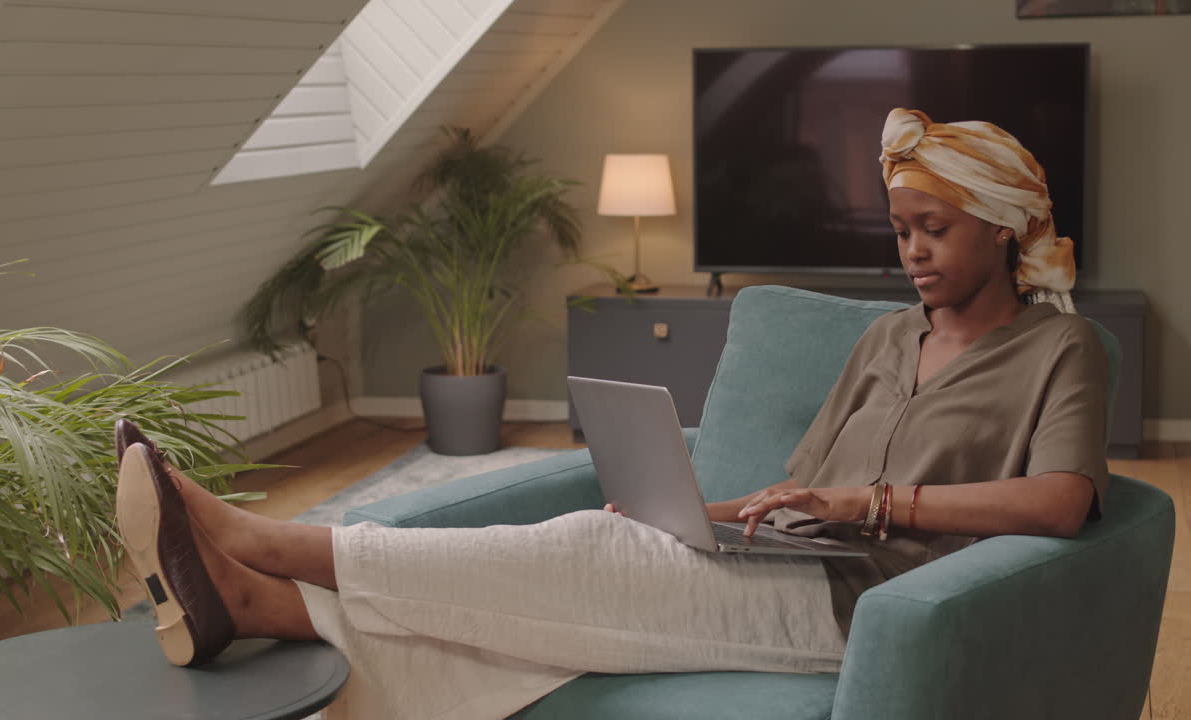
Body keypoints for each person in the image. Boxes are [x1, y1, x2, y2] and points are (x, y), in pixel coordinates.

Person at [112, 108, 1109, 719]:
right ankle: (254, 607)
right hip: (792, 557)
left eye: (933, 230)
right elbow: (793, 494)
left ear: (1004, 227)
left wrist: (877, 501)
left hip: (864, 606)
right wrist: (698, 518)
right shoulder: (887, 340)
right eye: (899, 231)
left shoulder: (1057, 348)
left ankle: (273, 549)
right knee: (575, 558)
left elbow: (1064, 500)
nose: (912, 253)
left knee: (579, 565)